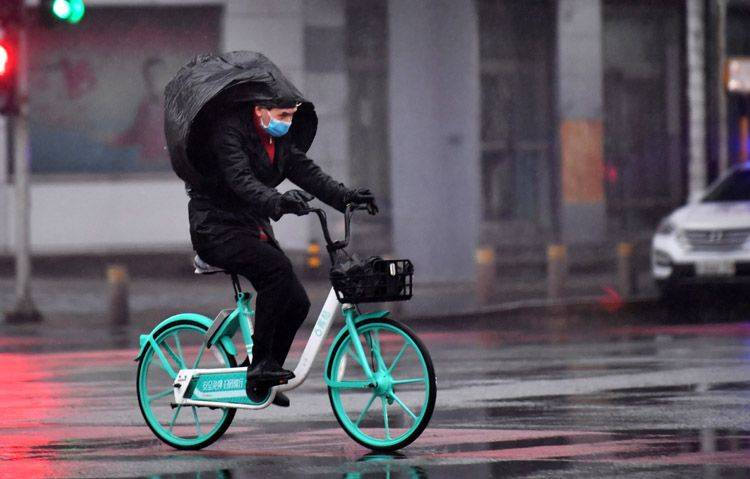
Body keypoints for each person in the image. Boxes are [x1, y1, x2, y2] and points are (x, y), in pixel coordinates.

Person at [177, 55, 378, 407]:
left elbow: (308, 172)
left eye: (291, 115)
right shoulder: (228, 132)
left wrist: (346, 196)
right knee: (276, 272)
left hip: (250, 225)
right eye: (282, 115)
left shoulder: (279, 142)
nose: (287, 122)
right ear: (260, 110)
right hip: (216, 227)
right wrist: (279, 201)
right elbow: (241, 181)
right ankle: (260, 369)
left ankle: (262, 373)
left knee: (298, 301)